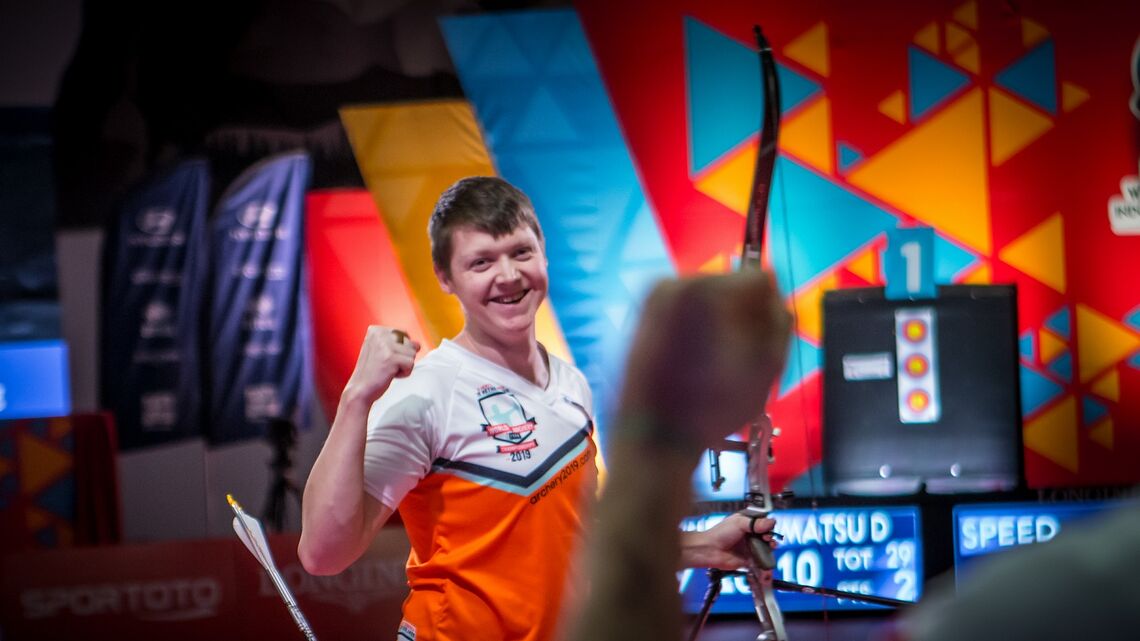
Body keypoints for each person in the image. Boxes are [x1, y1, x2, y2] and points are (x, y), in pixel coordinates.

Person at [298, 176, 788, 641]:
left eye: (521, 252)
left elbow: (574, 535)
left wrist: (704, 545)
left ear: (543, 253)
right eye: (481, 262)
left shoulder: (571, 383)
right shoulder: (425, 393)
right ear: (445, 277)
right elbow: (323, 554)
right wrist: (357, 397)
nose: (508, 276)